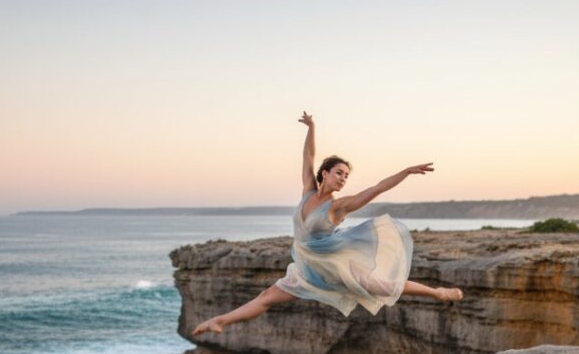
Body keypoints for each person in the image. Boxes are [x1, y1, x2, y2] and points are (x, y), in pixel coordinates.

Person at [192, 111, 463, 336]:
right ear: (325, 173)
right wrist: (312, 127)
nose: (343, 179)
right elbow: (308, 156)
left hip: (333, 266)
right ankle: (220, 321)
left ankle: (438, 293)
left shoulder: (338, 206)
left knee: (384, 285)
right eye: (339, 173)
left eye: (346, 176)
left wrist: (405, 172)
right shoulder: (308, 191)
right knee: (266, 297)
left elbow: (376, 188)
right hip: (307, 269)